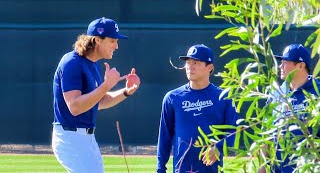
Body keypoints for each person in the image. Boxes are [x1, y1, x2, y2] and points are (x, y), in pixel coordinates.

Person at [51, 17, 141, 173]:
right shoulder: (71, 63)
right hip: (70, 136)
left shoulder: (92, 65)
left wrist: (126, 91)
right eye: (113, 40)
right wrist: (106, 85)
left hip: (86, 138)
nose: (117, 46)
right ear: (98, 39)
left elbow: (98, 102)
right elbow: (75, 107)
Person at [156, 44, 238, 173]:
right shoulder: (173, 98)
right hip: (181, 169)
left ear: (209, 68)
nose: (190, 67)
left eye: (196, 62)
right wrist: (160, 169)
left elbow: (234, 132)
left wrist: (218, 147)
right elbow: (165, 136)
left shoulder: (224, 97)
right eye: (188, 62)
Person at [259, 44, 320, 172]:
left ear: (301, 66)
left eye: (285, 62)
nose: (280, 66)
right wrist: (262, 167)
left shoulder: (317, 91)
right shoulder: (277, 94)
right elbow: (267, 133)